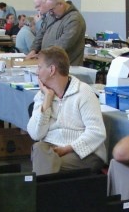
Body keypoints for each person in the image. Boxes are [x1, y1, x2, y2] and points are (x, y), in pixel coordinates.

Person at [27, 46, 106, 175]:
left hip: (84, 152)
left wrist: (68, 148)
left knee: (47, 165)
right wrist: (47, 100)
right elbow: (36, 135)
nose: (37, 72)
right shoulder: (42, 95)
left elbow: (97, 132)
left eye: (40, 67)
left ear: (52, 70)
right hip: (52, 148)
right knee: (38, 148)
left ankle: (40, 190)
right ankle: (45, 188)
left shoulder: (83, 93)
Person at [26, 0, 86, 66]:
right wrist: (33, 50)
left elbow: (63, 44)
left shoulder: (74, 19)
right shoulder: (52, 15)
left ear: (60, 4)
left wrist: (41, 55)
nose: (50, 13)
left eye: (52, 10)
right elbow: (41, 34)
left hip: (67, 67)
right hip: (50, 63)